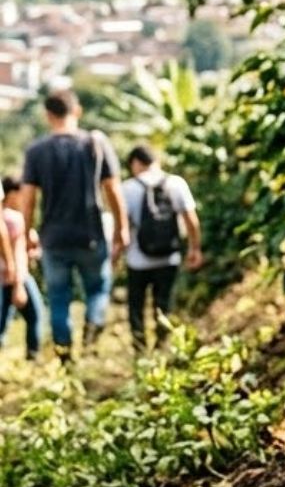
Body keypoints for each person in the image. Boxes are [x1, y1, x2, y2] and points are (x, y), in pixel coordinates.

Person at [17, 86, 130, 362]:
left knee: (58, 298)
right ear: (76, 111)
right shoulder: (95, 144)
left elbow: (28, 199)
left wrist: (27, 232)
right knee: (97, 289)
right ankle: (91, 335)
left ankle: (65, 355)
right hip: (90, 234)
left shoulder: (37, 151)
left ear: (47, 116)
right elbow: (113, 190)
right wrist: (121, 229)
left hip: (54, 239)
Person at [121, 145, 203, 350]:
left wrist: (116, 254)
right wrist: (195, 249)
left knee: (136, 305)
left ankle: (139, 347)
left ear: (135, 163)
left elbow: (122, 227)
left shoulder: (127, 188)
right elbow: (191, 220)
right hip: (169, 256)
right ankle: (161, 345)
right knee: (163, 302)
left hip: (137, 259)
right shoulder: (176, 183)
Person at [0, 175, 42, 361]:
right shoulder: (14, 219)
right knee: (35, 316)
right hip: (16, 276)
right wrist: (18, 284)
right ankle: (33, 358)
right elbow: (17, 252)